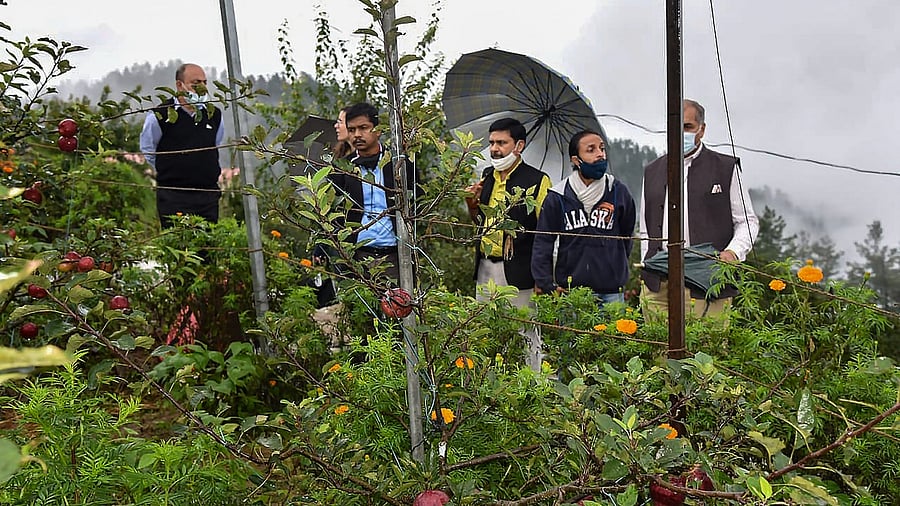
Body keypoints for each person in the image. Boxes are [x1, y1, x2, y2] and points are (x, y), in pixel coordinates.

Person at [639, 99, 759, 322]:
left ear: (701, 130)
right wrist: (647, 263)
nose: (680, 133)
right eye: (675, 127)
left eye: (687, 127)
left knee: (706, 351)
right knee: (657, 351)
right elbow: (646, 228)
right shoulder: (652, 171)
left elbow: (748, 221)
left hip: (707, 280)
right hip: (658, 283)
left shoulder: (725, 167)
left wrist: (733, 252)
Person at [464, 117, 551, 371]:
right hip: (485, 267)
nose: (494, 149)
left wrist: (542, 277)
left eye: (501, 143)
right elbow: (480, 223)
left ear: (519, 145)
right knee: (484, 330)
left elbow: (544, 232)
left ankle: (532, 386)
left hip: (519, 269)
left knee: (525, 333)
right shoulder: (487, 176)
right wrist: (472, 205)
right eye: (491, 142)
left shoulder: (537, 180)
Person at [532, 130, 636, 305]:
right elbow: (543, 241)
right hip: (571, 292)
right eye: (591, 150)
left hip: (611, 291)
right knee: (573, 333)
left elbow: (627, 235)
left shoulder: (618, 191)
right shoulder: (558, 196)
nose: (600, 154)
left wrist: (615, 266)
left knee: (611, 333)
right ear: (576, 160)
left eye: (602, 149)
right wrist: (546, 283)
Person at [326, 102, 416, 283]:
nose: (357, 135)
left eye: (363, 128)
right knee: (361, 309)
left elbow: (417, 201)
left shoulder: (399, 164)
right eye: (351, 130)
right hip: (359, 256)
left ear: (378, 130)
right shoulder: (342, 169)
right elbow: (335, 212)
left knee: (400, 308)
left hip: (396, 256)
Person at [140, 63, 224, 228]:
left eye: (204, 83)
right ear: (179, 85)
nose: (202, 88)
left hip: (207, 197)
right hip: (173, 197)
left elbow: (215, 144)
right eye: (196, 83)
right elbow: (149, 151)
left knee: (207, 247)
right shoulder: (161, 115)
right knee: (177, 243)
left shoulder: (213, 114)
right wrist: (172, 169)